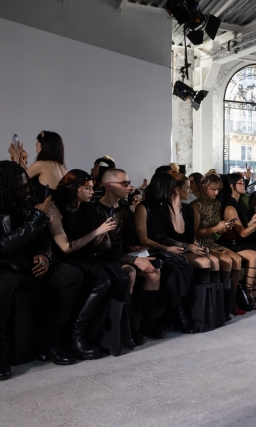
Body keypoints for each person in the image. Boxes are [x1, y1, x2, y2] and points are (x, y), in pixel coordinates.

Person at [0, 161, 83, 377]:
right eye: (22, 187)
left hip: (29, 265)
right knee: (2, 285)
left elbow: (44, 237)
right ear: (4, 188)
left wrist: (45, 254)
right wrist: (37, 219)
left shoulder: (27, 202)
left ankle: (51, 342)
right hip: (5, 268)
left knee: (71, 276)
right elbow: (3, 246)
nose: (28, 189)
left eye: (28, 184)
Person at [51, 170, 125, 358]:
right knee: (102, 280)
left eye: (93, 187)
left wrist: (102, 234)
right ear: (74, 188)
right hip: (64, 260)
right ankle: (76, 336)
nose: (92, 192)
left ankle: (97, 334)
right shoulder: (57, 208)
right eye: (87, 188)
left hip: (86, 257)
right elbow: (66, 248)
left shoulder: (88, 207)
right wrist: (96, 232)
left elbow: (93, 243)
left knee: (116, 278)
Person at [95, 169, 164, 340]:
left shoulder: (125, 207)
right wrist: (134, 259)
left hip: (122, 254)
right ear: (109, 186)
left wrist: (136, 248)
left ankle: (146, 323)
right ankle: (128, 326)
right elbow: (105, 250)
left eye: (128, 183)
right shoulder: (96, 210)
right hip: (103, 258)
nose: (129, 187)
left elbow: (126, 238)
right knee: (130, 273)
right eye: (124, 183)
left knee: (154, 272)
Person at [134, 172, 198, 334]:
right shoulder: (143, 207)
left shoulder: (166, 206)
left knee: (186, 268)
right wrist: (167, 248)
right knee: (172, 269)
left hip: (162, 249)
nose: (175, 190)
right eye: (172, 187)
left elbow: (177, 231)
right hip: (146, 251)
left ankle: (174, 315)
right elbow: (144, 239)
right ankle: (180, 317)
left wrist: (176, 209)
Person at [192, 173, 252, 318]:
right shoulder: (195, 205)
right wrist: (216, 228)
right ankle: (223, 304)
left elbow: (217, 230)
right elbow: (195, 233)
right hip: (200, 243)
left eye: (218, 189)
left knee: (236, 260)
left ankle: (230, 302)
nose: (216, 192)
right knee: (228, 261)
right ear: (204, 187)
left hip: (213, 241)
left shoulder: (217, 203)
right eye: (213, 189)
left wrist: (225, 227)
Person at [219, 173, 256, 311]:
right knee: (253, 255)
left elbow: (243, 228)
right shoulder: (230, 207)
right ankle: (249, 296)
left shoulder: (239, 203)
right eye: (240, 182)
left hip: (238, 242)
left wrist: (253, 221)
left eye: (244, 181)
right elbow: (243, 233)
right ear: (232, 186)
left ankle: (253, 295)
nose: (243, 184)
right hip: (230, 243)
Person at [8, 131, 67, 203]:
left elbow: (14, 182)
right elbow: (29, 175)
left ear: (44, 147)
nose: (36, 150)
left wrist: (16, 157)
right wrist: (20, 160)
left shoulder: (41, 165)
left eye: (37, 145)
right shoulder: (63, 169)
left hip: (41, 212)